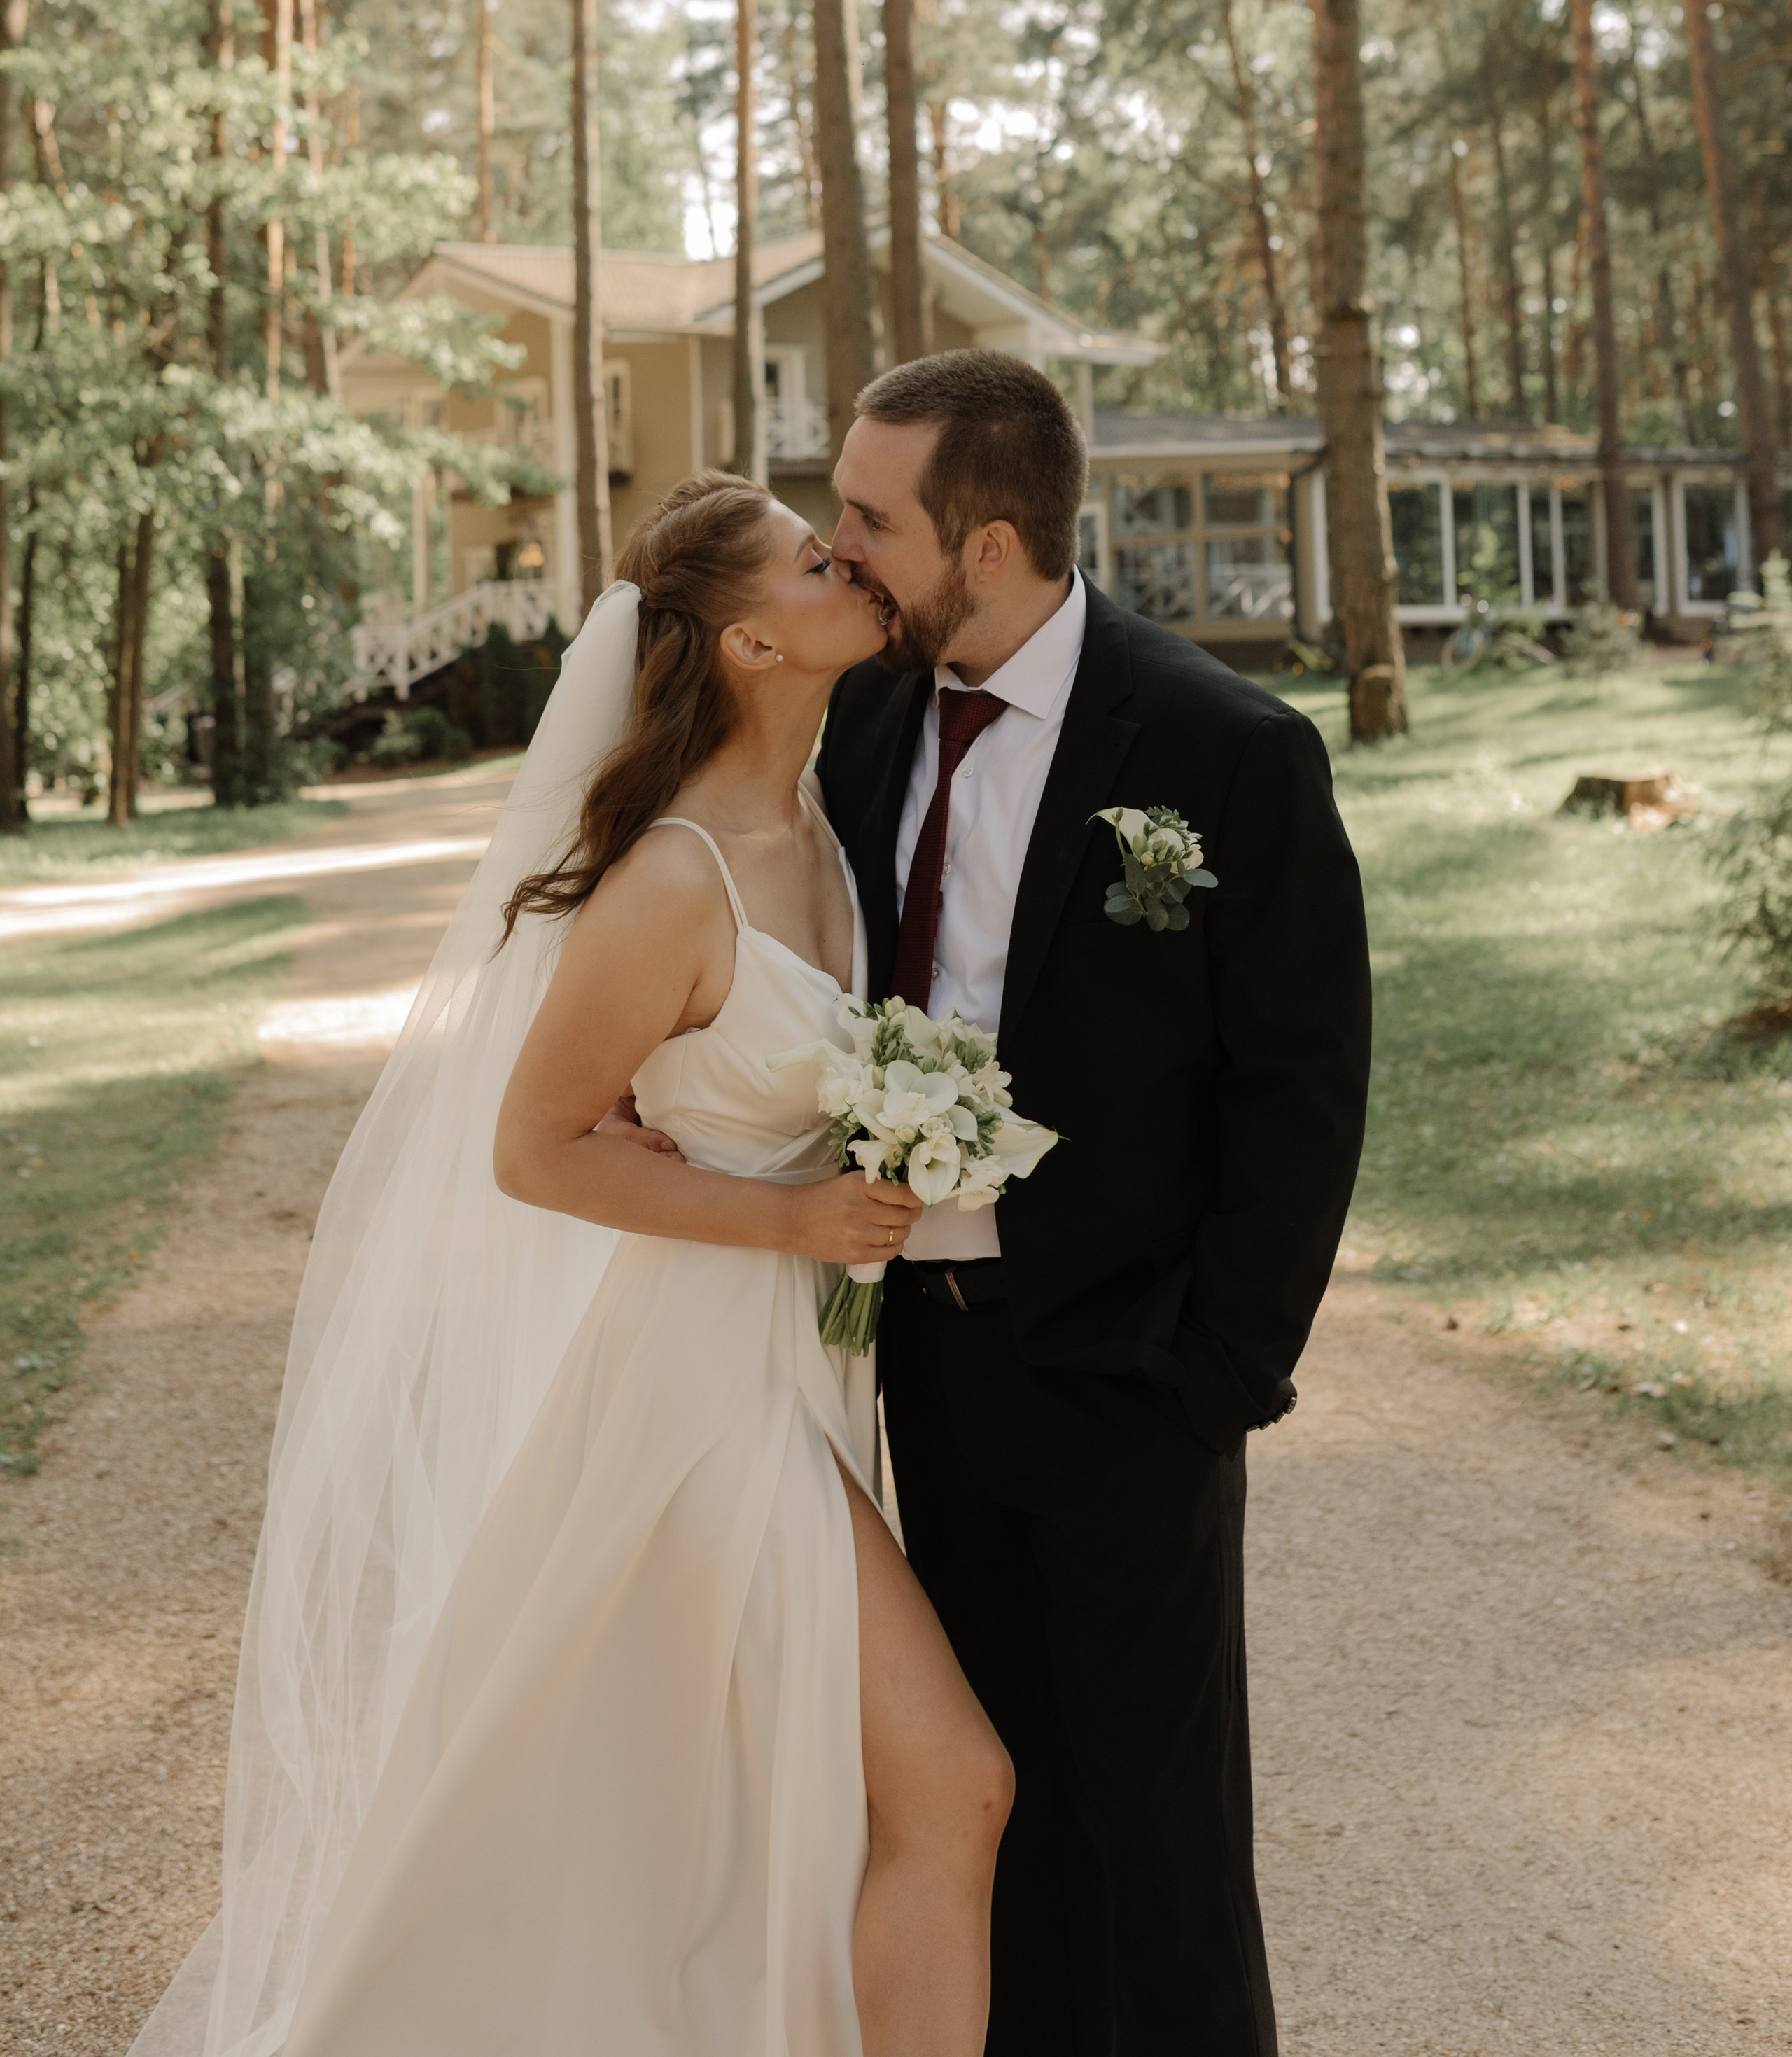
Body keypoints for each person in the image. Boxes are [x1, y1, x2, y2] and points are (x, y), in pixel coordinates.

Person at [127, 475, 1010, 2057]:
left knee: (697, 1815)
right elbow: (533, 1149)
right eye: (818, 560)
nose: (851, 566)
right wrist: (797, 1222)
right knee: (951, 1780)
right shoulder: (674, 880)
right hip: (694, 1402)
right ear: (748, 638)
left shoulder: (817, 818)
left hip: (788, 1378)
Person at [816, 350, 1372, 2057]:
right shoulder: (860, 721)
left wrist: (1216, 1371)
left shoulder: (1223, 748)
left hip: (1133, 1371)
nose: (838, 551)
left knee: (1164, 1838)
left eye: (866, 520)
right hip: (925, 1353)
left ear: (986, 545)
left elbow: (1302, 1083)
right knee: (997, 1817)